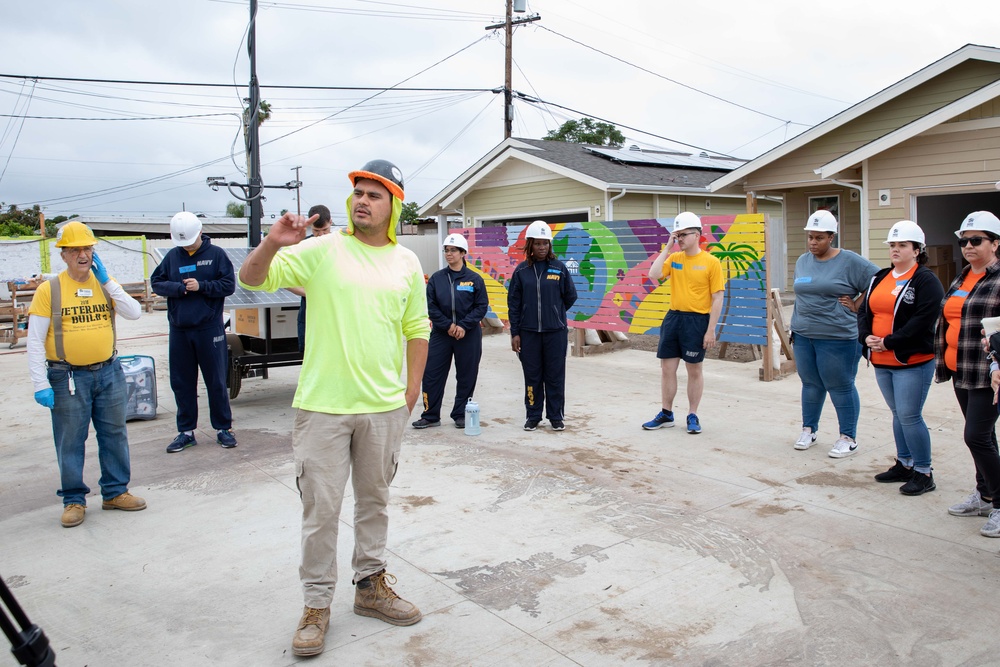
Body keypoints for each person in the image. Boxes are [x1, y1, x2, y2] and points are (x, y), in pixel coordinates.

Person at [237, 159, 429, 657]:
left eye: (375, 194)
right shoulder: (322, 250)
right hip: (323, 406)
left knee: (375, 502)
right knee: (320, 511)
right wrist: (273, 242)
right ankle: (317, 605)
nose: (363, 200)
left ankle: (370, 587)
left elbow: (417, 330)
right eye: (359, 192)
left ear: (394, 205)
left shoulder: (406, 263)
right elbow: (253, 279)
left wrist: (409, 395)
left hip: (384, 408)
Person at [26, 221, 146, 528]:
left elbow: (134, 312)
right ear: (63, 255)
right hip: (67, 377)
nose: (83, 254)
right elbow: (35, 341)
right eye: (76, 249)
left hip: (109, 372)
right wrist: (40, 383)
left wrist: (107, 282)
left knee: (114, 434)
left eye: (88, 248)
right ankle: (73, 500)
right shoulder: (49, 290)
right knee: (70, 440)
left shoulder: (105, 284)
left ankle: (115, 492)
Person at [857, 220, 943, 495]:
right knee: (898, 414)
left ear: (917, 250)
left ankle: (923, 471)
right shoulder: (880, 276)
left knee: (910, 415)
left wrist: (889, 341)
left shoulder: (925, 280)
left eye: (902, 245)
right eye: (892, 245)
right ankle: (905, 464)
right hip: (882, 361)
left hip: (911, 361)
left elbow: (923, 320)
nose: (895, 249)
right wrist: (866, 337)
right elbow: (863, 311)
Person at [789, 210, 879, 457]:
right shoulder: (803, 261)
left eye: (819, 238)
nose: (812, 243)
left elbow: (879, 279)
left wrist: (858, 304)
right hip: (804, 334)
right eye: (810, 237)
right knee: (810, 384)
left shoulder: (849, 261)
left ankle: (847, 437)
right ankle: (809, 429)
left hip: (838, 336)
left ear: (832, 237)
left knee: (840, 385)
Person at [150, 211, 238, 453]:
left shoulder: (216, 255)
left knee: (216, 381)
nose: (186, 245)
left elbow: (229, 285)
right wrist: (178, 288)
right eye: (182, 242)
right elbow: (156, 282)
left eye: (189, 240)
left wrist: (202, 286)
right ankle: (186, 431)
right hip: (180, 330)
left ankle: (223, 428)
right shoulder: (172, 256)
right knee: (182, 382)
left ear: (200, 232)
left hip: (209, 329)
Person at [936, 211, 1000, 538]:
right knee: (983, 437)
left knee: (975, 435)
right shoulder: (962, 277)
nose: (969, 246)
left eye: (977, 240)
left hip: (989, 373)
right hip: (961, 369)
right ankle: (985, 495)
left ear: (995, 243)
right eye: (964, 241)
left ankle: (999, 502)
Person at [641, 212, 724, 435]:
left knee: (694, 369)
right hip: (674, 318)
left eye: (683, 235)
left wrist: (710, 330)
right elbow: (653, 274)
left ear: (696, 235)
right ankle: (666, 413)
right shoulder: (674, 259)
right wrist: (667, 247)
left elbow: (717, 297)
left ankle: (692, 414)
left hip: (697, 320)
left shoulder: (711, 262)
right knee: (667, 369)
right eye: (677, 235)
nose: (679, 239)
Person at [412, 233, 488, 430]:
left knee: (466, 375)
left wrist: (464, 325)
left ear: (463, 253)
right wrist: (448, 326)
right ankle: (430, 414)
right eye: (446, 250)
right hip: (441, 334)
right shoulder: (437, 279)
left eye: (453, 250)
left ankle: (460, 413)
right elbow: (430, 306)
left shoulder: (474, 280)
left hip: (468, 334)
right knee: (432, 373)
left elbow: (481, 306)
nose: (449, 253)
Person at [507, 220, 578, 431]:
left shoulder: (559, 268)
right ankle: (533, 415)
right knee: (532, 376)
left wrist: (553, 312)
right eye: (537, 243)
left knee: (555, 375)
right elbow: (514, 304)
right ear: (530, 245)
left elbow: (570, 296)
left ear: (550, 245)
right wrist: (515, 333)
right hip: (528, 334)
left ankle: (556, 416)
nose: (542, 247)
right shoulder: (521, 271)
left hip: (555, 332)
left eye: (545, 243)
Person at [288, 204, 333, 353]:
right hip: (310, 313)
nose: (320, 236)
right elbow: (285, 281)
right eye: (316, 231)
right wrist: (310, 292)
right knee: (310, 354)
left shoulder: (342, 245)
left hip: (335, 313)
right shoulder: (302, 246)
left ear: (330, 223)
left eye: (324, 230)